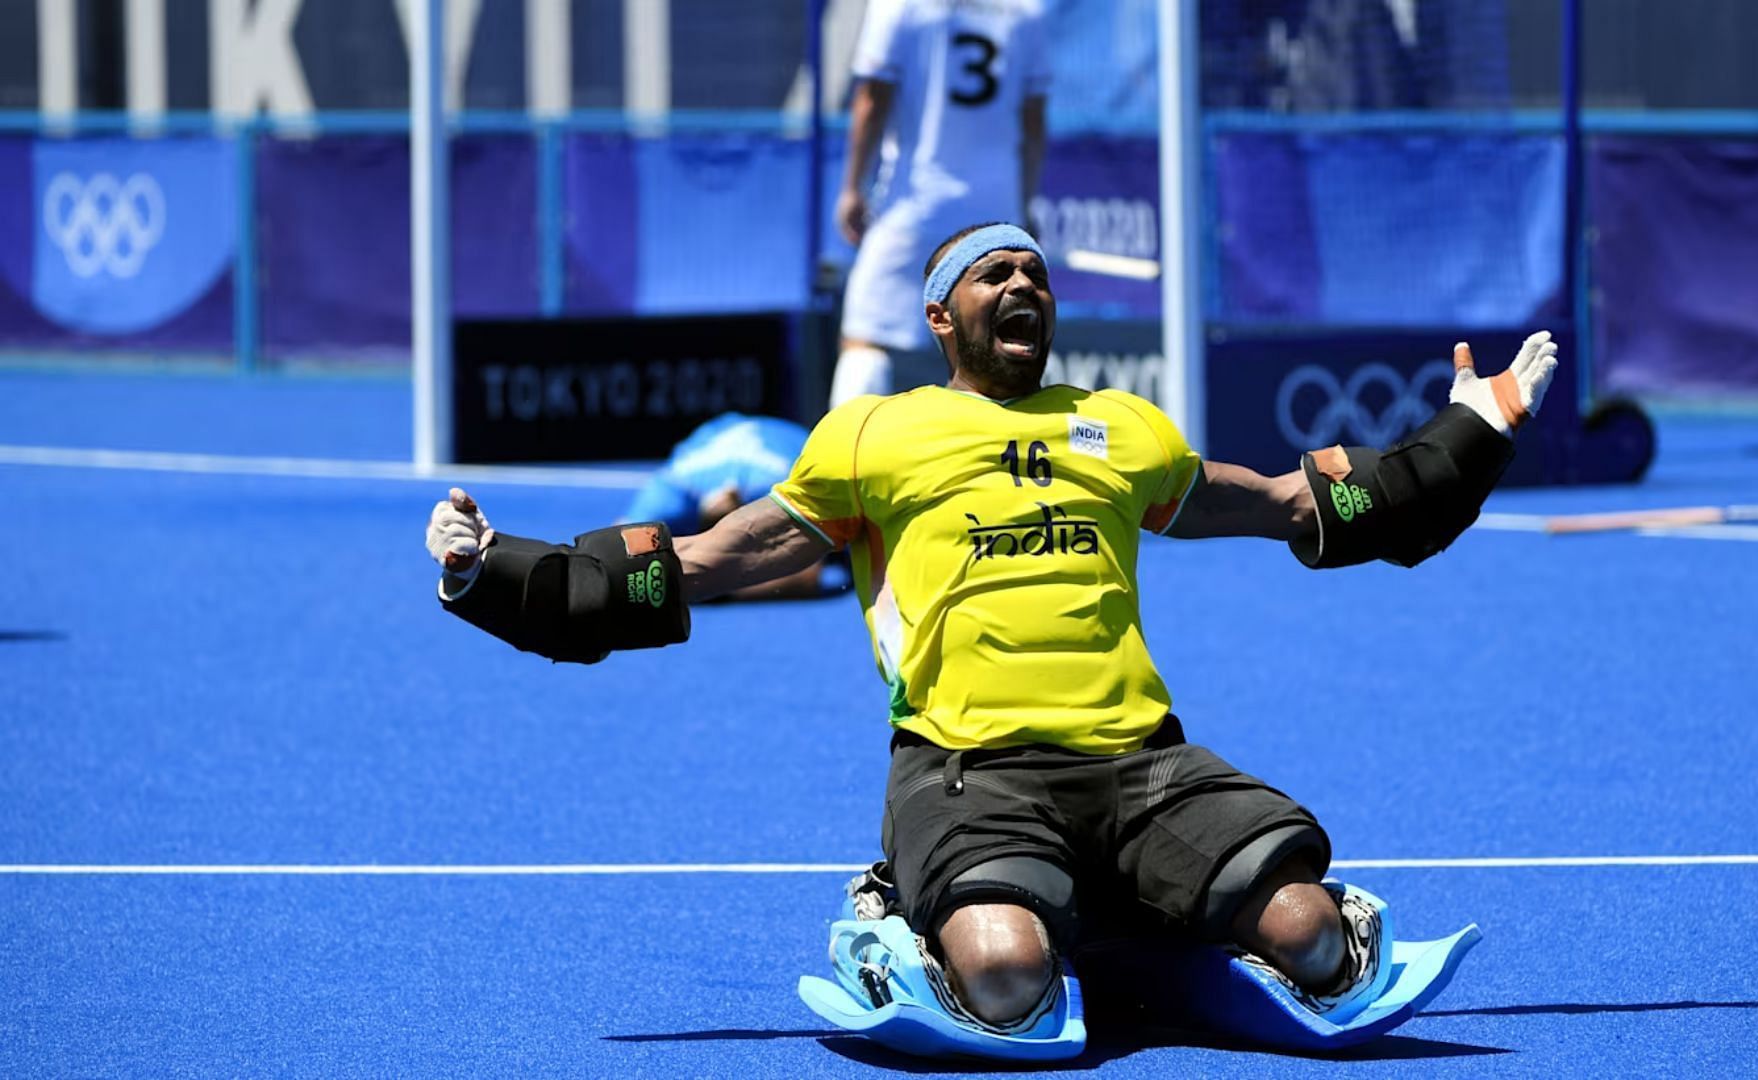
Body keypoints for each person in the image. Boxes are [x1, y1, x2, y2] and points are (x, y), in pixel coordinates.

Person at [424, 223, 1557, 1052]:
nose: (1023, 284)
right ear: (940, 316)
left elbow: (1296, 505)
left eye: (1036, 274)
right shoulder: (877, 435)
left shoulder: (1123, 430)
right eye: (994, 272)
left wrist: (1471, 432)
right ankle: (901, 918)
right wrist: (499, 573)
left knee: (1315, 937)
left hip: (1145, 766)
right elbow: (713, 561)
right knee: (1007, 982)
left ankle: (1129, 915)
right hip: (969, 772)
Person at [830, 0, 1049, 408]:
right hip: (996, 217)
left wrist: (852, 188)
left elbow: (872, 99)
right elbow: (1033, 119)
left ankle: (841, 466)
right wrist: (1024, 203)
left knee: (865, 338)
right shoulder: (1026, 10)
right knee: (993, 347)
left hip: (916, 208)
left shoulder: (899, 5)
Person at [618, 413, 849, 601]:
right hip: (720, 430)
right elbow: (619, 550)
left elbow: (808, 577)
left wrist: (718, 592)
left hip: (792, 437)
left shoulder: (783, 489)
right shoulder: (672, 491)